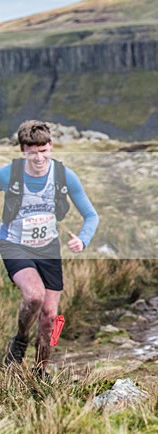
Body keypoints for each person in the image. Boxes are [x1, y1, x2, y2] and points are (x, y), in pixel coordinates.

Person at [2, 120, 99, 378]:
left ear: (51, 146)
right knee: (34, 295)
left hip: (48, 249)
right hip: (15, 244)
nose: (38, 158)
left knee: (52, 317)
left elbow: (91, 215)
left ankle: (41, 370)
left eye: (43, 151)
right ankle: (20, 340)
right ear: (22, 150)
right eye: (32, 153)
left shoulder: (64, 176)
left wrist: (83, 240)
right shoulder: (10, 174)